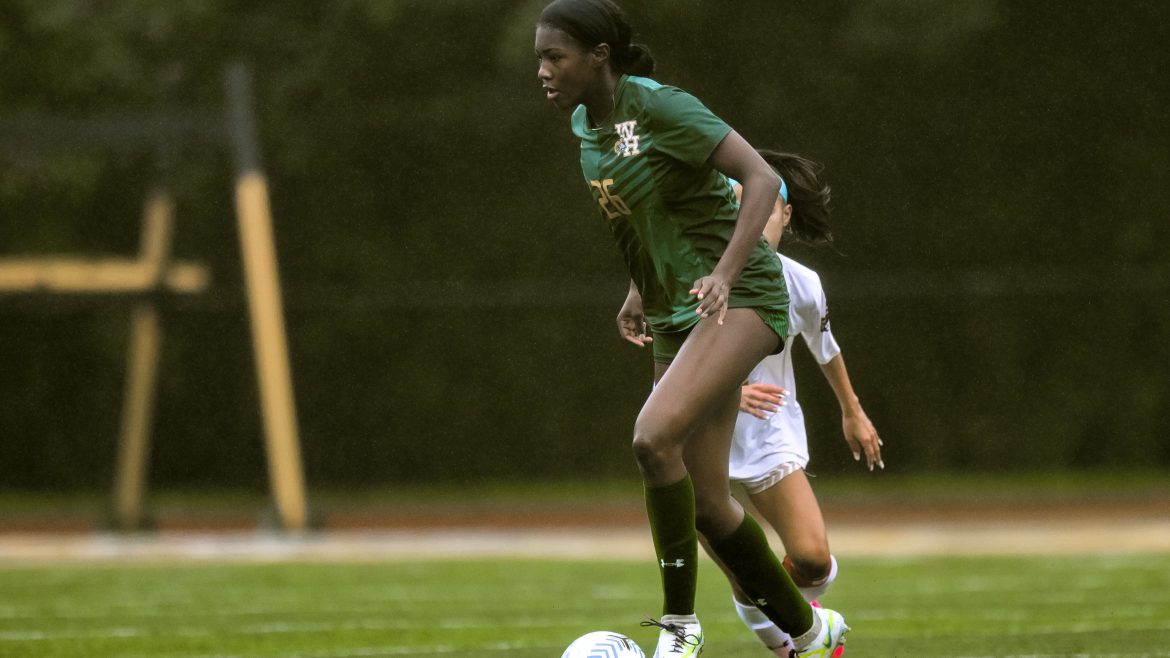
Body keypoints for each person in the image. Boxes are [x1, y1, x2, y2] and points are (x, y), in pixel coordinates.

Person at [535, 2, 849, 656]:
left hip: (742, 296)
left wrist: (729, 274)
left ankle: (681, 626)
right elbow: (648, 217)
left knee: (652, 438)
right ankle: (812, 632)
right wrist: (636, 290)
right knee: (710, 506)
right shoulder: (583, 126)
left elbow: (759, 179)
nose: (542, 68)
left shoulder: (660, 107)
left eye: (554, 56)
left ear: (599, 56)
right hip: (673, 308)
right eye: (539, 56)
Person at [705, 151, 884, 656]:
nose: (753, 220)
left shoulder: (801, 282)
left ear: (785, 215)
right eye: (740, 208)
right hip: (699, 432)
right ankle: (794, 641)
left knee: (812, 561)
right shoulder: (702, 273)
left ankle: (789, 614)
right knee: (747, 568)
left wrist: (853, 410)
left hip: (768, 430)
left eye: (765, 208)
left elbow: (825, 347)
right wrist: (726, 392)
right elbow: (667, 356)